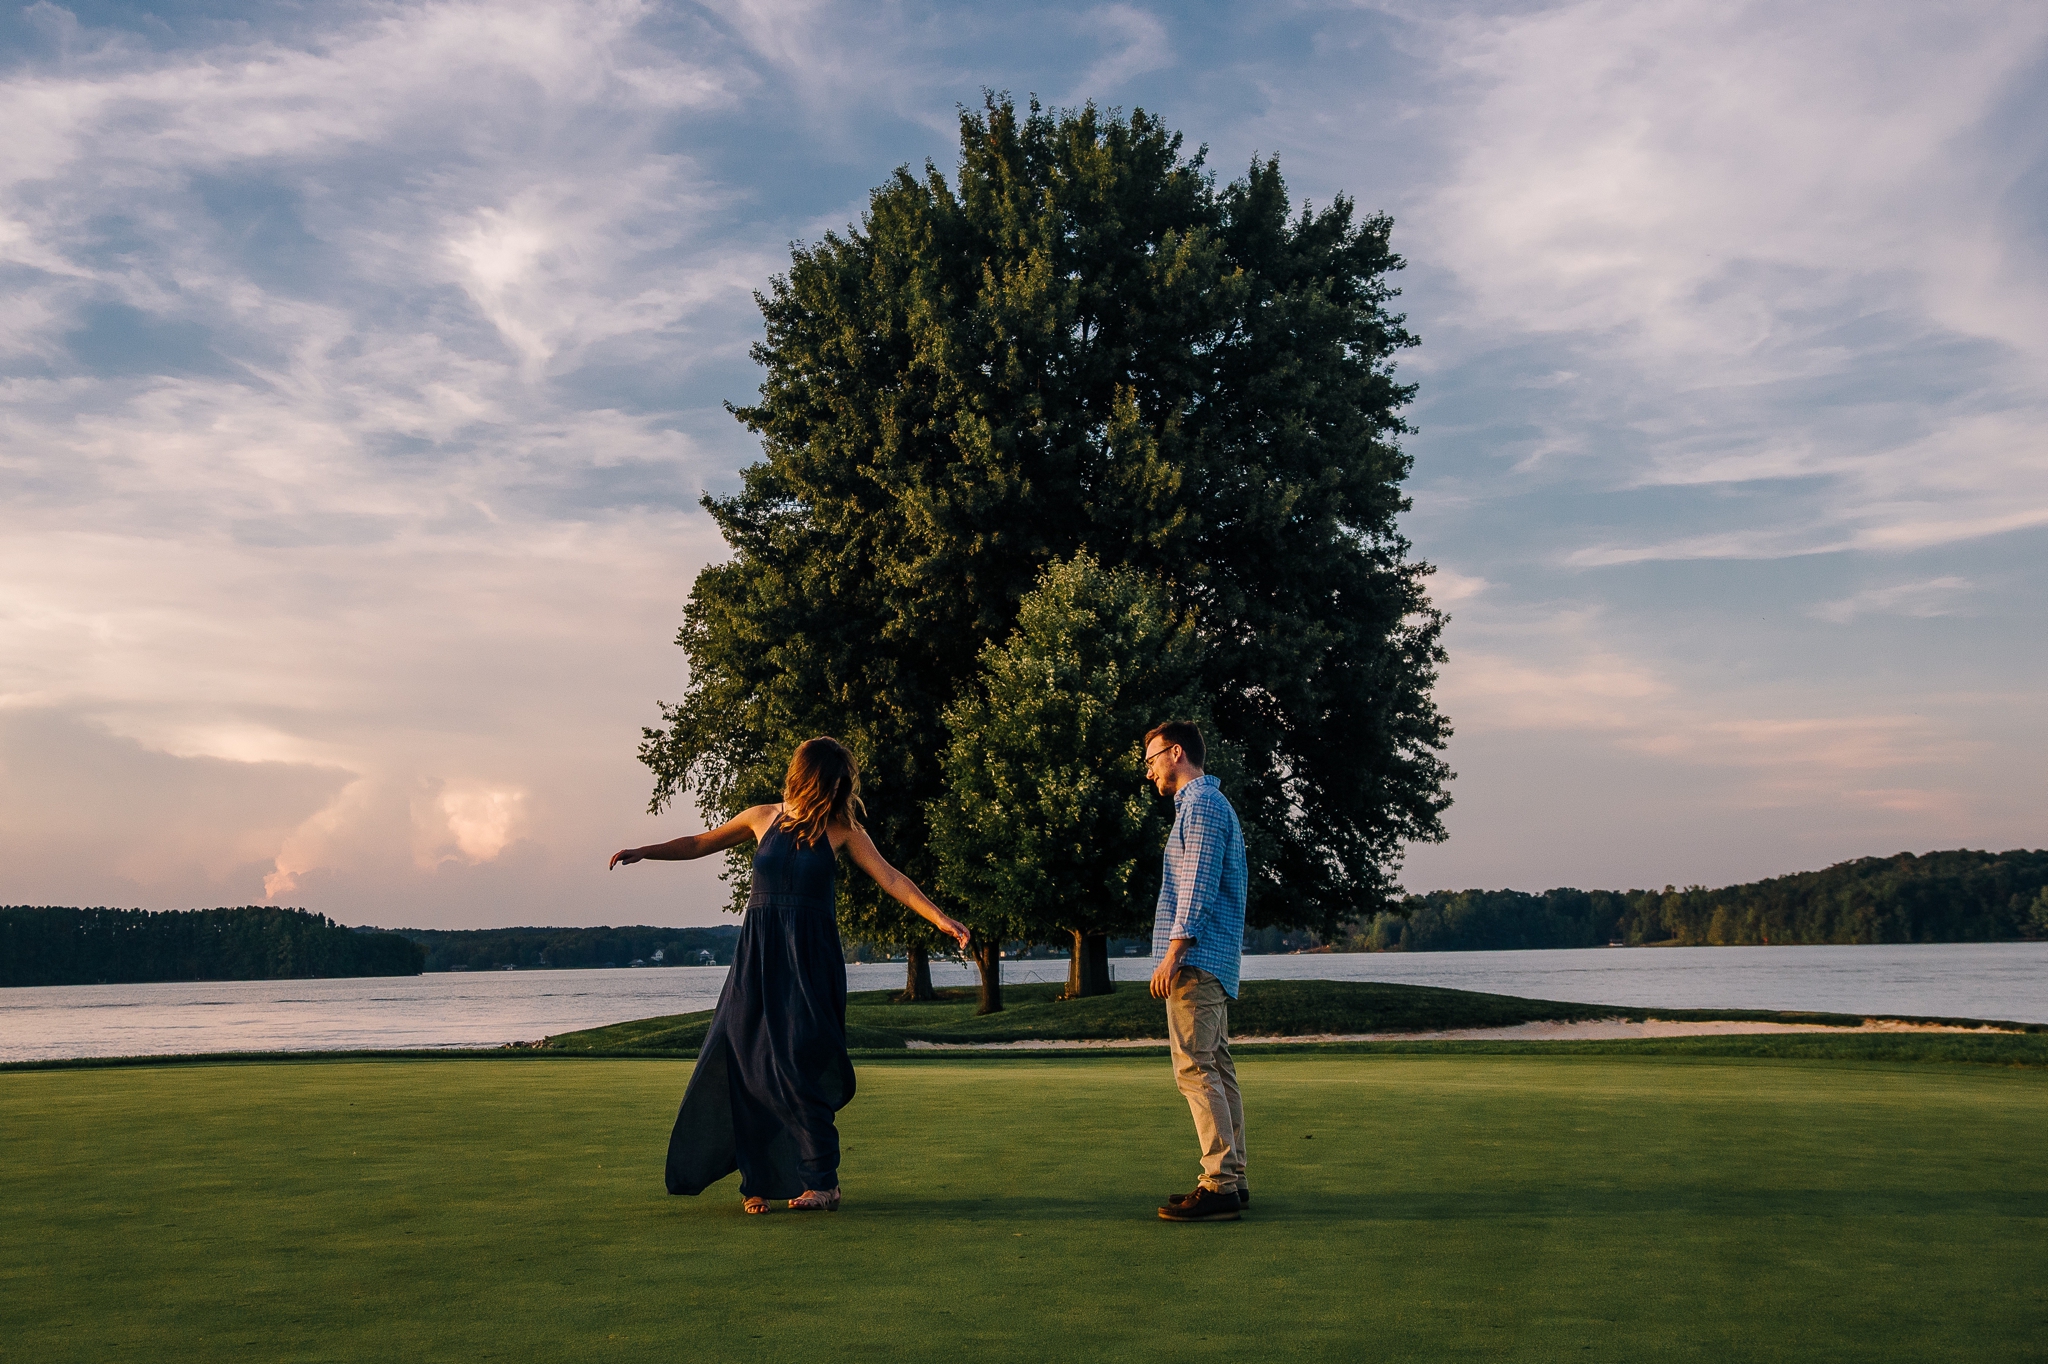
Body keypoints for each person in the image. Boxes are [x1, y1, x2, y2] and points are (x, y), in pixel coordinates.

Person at [609, 736, 971, 1214]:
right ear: (811, 775)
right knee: (748, 1062)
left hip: (810, 960)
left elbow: (892, 879)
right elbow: (699, 843)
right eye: (832, 778)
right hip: (757, 956)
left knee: (798, 1064)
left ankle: (824, 1184)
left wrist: (940, 918)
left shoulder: (844, 831)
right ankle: (756, 1183)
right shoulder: (762, 817)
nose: (839, 788)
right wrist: (644, 851)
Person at [1143, 720, 1249, 1223]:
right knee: (1216, 1065)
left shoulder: (1202, 805)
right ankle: (1233, 1178)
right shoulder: (1203, 806)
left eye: (1151, 760)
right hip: (1209, 958)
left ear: (1176, 752)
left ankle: (1220, 1183)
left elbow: (1198, 887)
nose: (1149, 774)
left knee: (1195, 1066)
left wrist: (1171, 955)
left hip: (1196, 959)